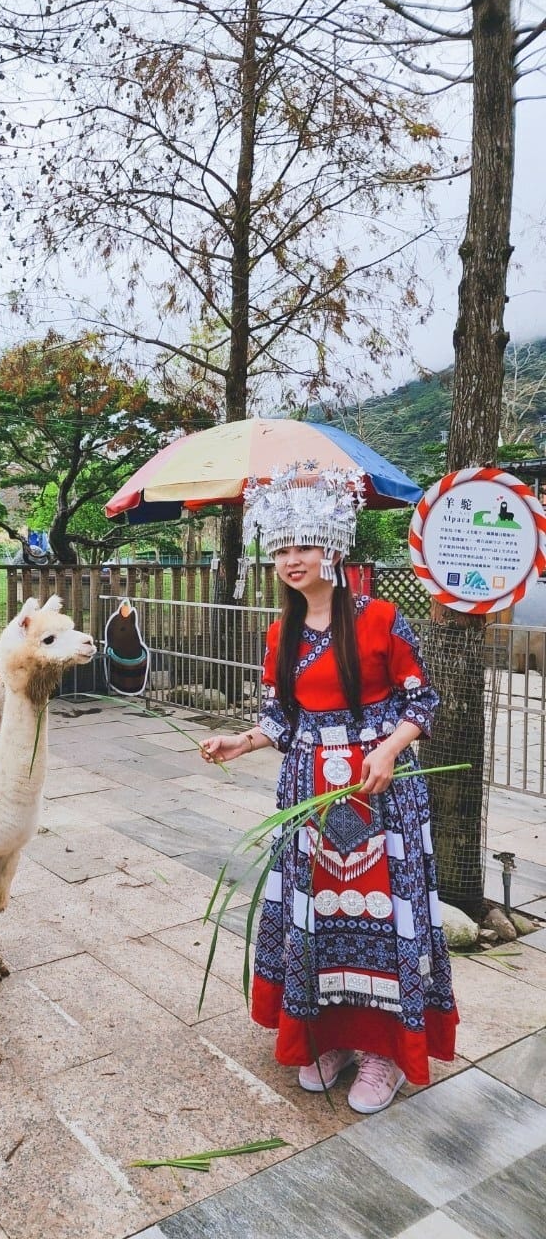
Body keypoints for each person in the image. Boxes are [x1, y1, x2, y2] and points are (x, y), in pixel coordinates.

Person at [201, 465, 458, 1114]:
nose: (291, 560)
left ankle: (384, 1052)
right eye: (281, 549)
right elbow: (280, 720)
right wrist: (241, 741)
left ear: (333, 549)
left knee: (382, 917)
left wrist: (388, 749)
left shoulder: (381, 619)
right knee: (322, 916)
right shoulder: (279, 634)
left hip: (380, 794)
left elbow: (422, 703)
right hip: (308, 797)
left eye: (304, 546)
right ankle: (333, 1037)